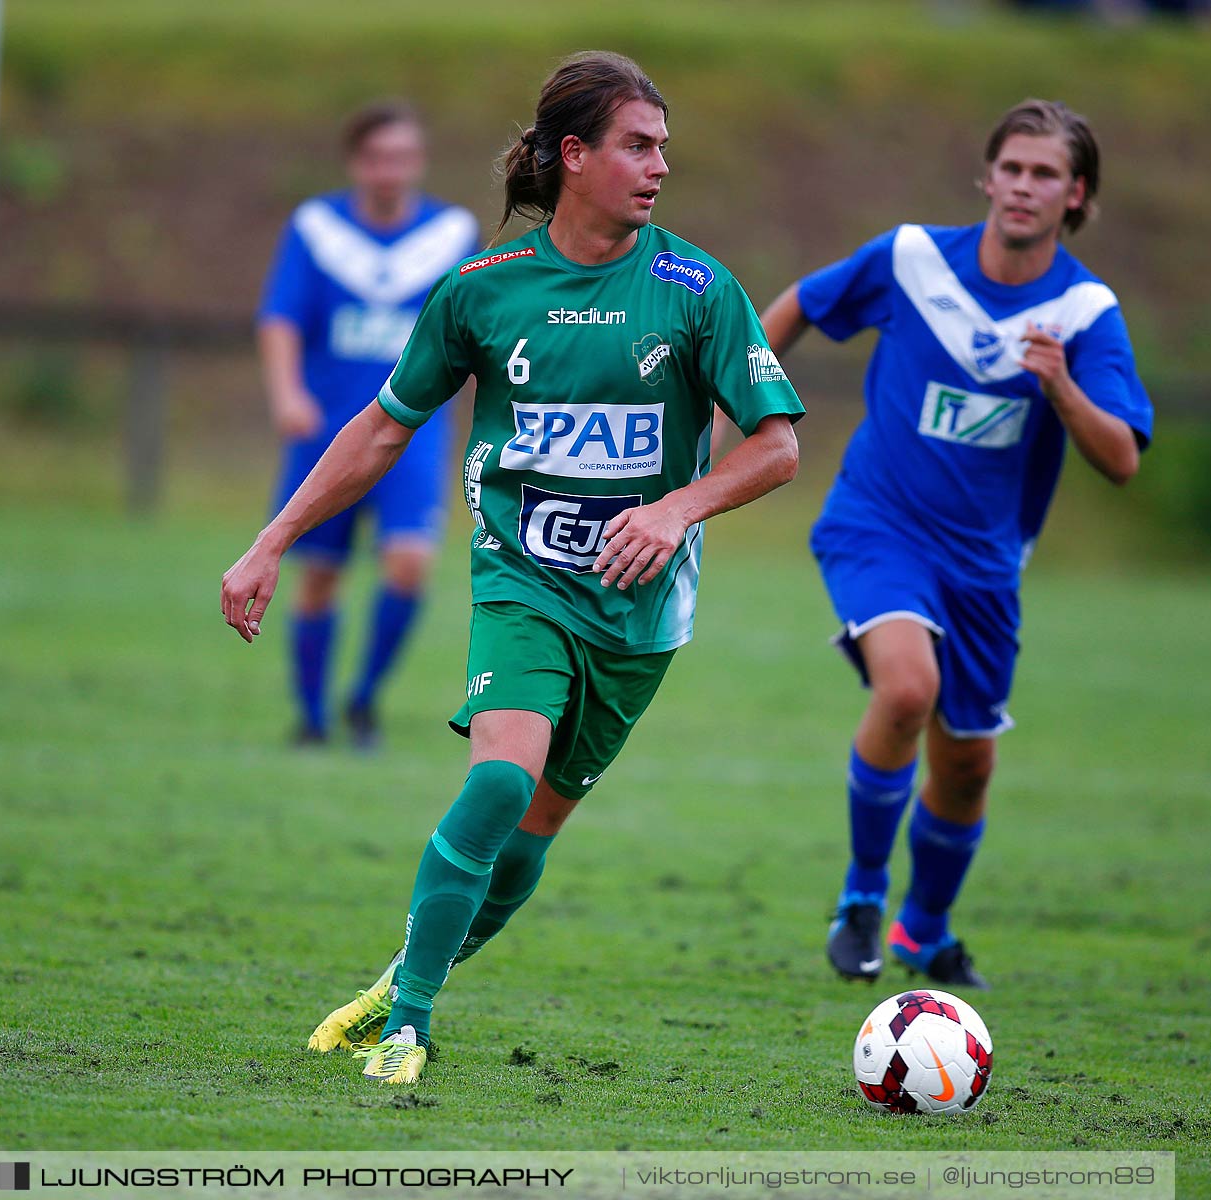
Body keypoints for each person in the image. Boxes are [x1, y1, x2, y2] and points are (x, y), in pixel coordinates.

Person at [221, 51, 804, 1084]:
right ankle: (410, 1020)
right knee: (498, 781)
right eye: (638, 144)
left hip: (639, 613)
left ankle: (401, 972)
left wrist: (676, 506)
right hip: (520, 581)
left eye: (664, 146)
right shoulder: (482, 293)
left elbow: (777, 445)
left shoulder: (697, 289)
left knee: (530, 840)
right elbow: (380, 430)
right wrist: (271, 541)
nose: (660, 165)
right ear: (573, 156)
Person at [760, 100, 1152, 990]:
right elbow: (796, 307)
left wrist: (1061, 388)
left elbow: (1121, 459)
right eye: (1011, 167)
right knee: (908, 687)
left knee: (967, 763)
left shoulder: (1084, 313)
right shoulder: (909, 261)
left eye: (1044, 173)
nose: (1023, 186)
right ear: (987, 177)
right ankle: (862, 898)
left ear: (1076, 193)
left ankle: (921, 931)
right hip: (877, 523)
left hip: (984, 567)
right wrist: (746, 402)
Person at [255, 101, 481, 749]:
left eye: (404, 158)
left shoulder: (450, 234)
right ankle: (312, 717)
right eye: (379, 157)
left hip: (414, 434)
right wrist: (286, 393)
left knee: (409, 563)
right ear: (357, 161)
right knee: (320, 575)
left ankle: (363, 699)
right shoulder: (318, 228)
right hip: (326, 430)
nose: (391, 171)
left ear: (420, 163)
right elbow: (281, 318)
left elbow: (471, 328)